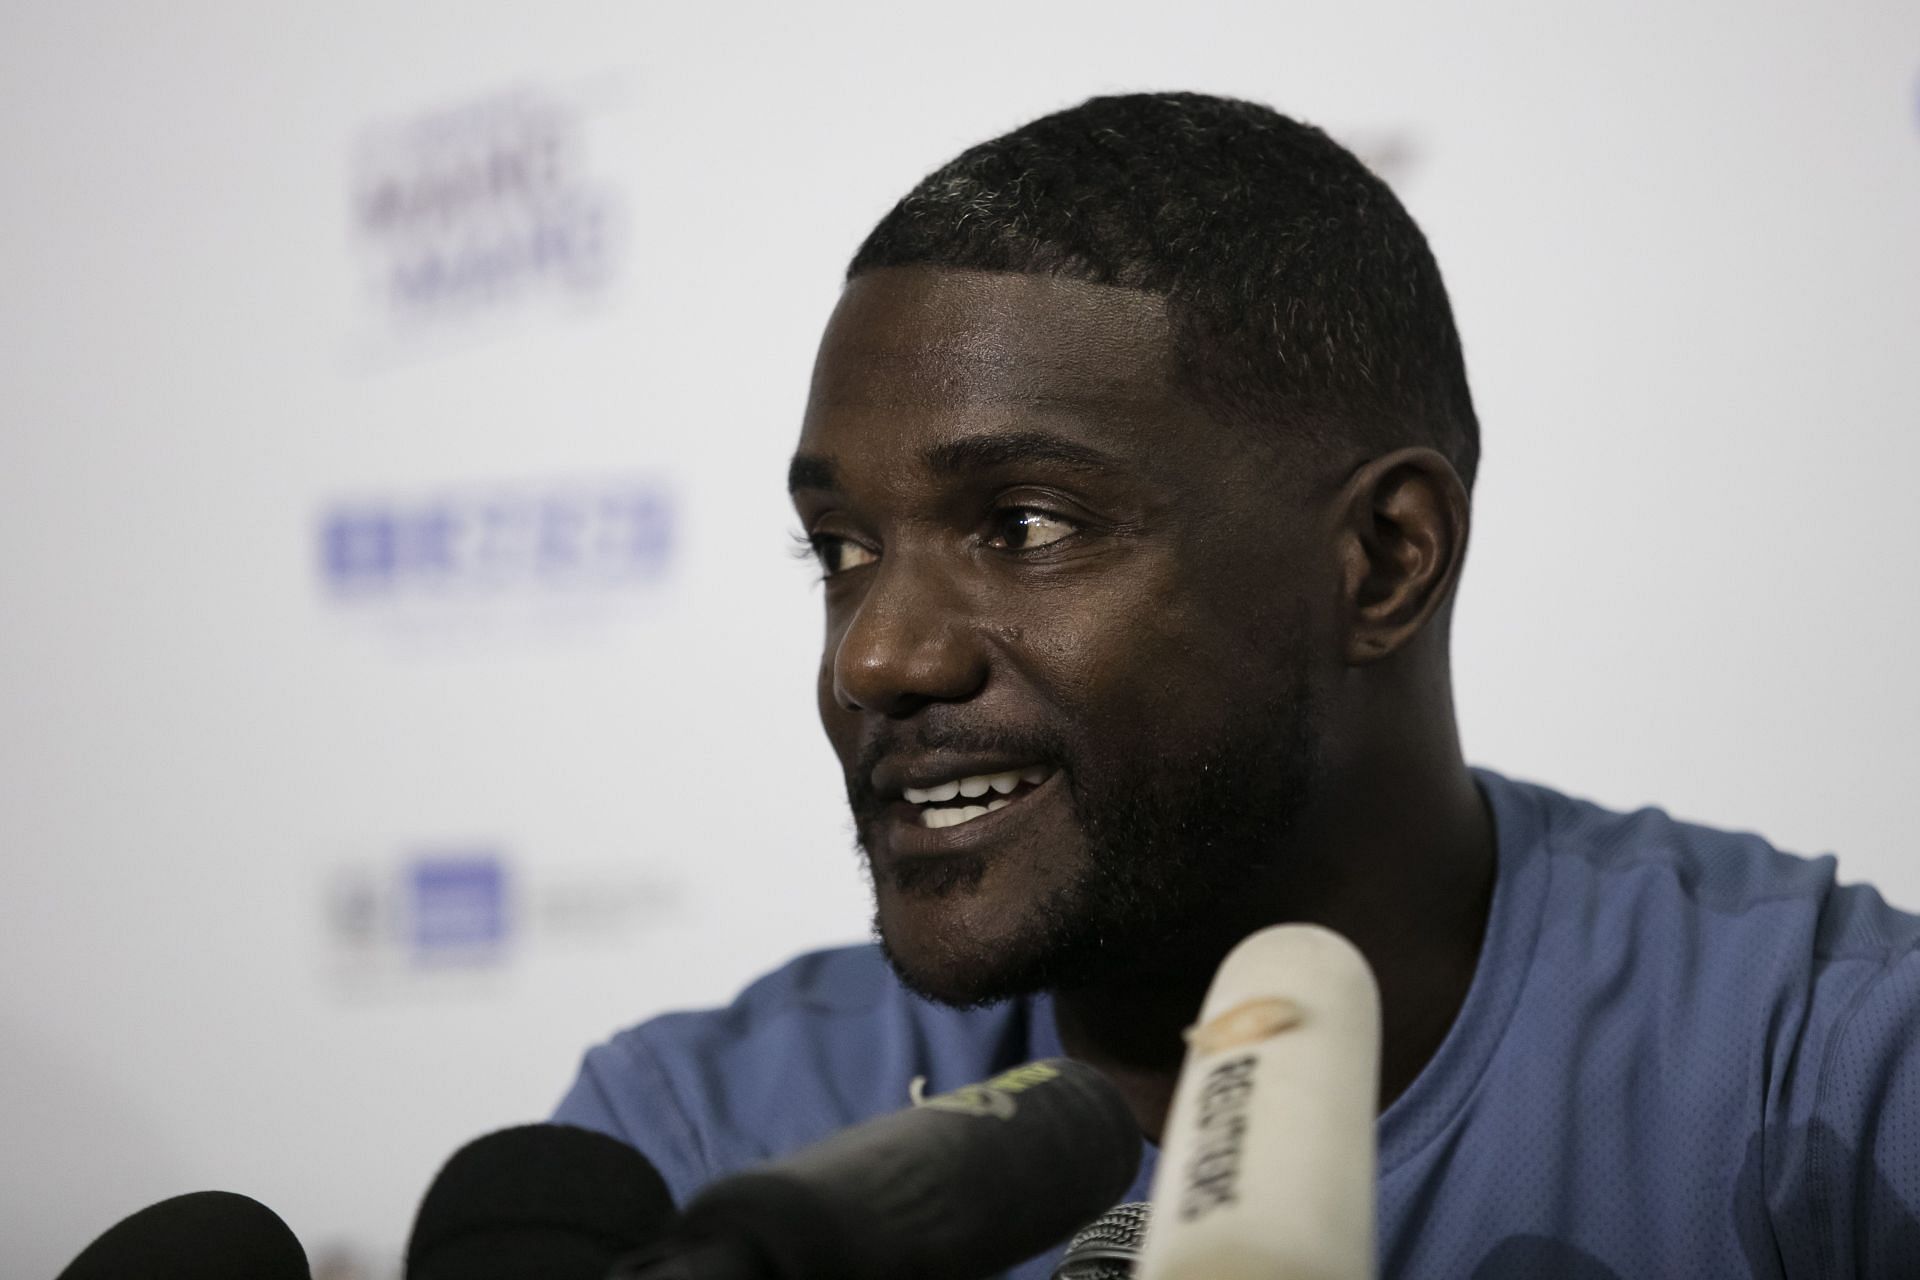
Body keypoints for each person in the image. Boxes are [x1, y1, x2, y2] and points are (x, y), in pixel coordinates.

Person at [554, 92, 1920, 1277]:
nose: (876, 656)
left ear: (1385, 559)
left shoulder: (1829, 1071)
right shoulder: (703, 1153)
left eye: (1025, 525)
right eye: (841, 550)